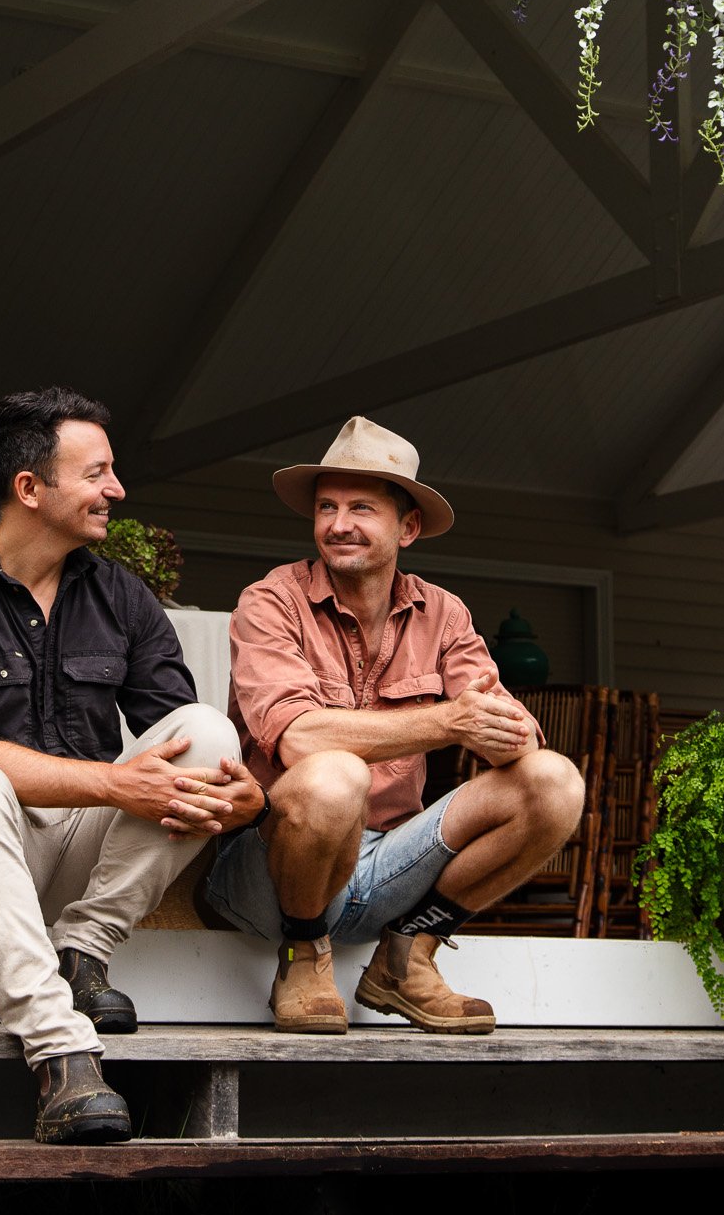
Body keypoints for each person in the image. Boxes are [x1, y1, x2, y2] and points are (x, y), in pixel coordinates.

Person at [0, 387, 264, 1144]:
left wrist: (243, 799)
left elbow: (174, 730)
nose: (116, 491)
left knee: (205, 733)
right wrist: (113, 783)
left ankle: (83, 949)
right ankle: (61, 1055)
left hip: (77, 862)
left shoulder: (120, 596)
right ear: (29, 488)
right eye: (96, 474)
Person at [198, 416, 586, 1036]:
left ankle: (409, 956)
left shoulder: (444, 614)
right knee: (332, 775)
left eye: (361, 508)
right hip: (270, 873)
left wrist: (498, 728)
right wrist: (452, 721)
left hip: (391, 868)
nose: (338, 523)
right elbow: (297, 738)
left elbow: (517, 735)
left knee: (554, 780)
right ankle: (302, 955)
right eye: (326, 506)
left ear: (408, 527)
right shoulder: (270, 601)